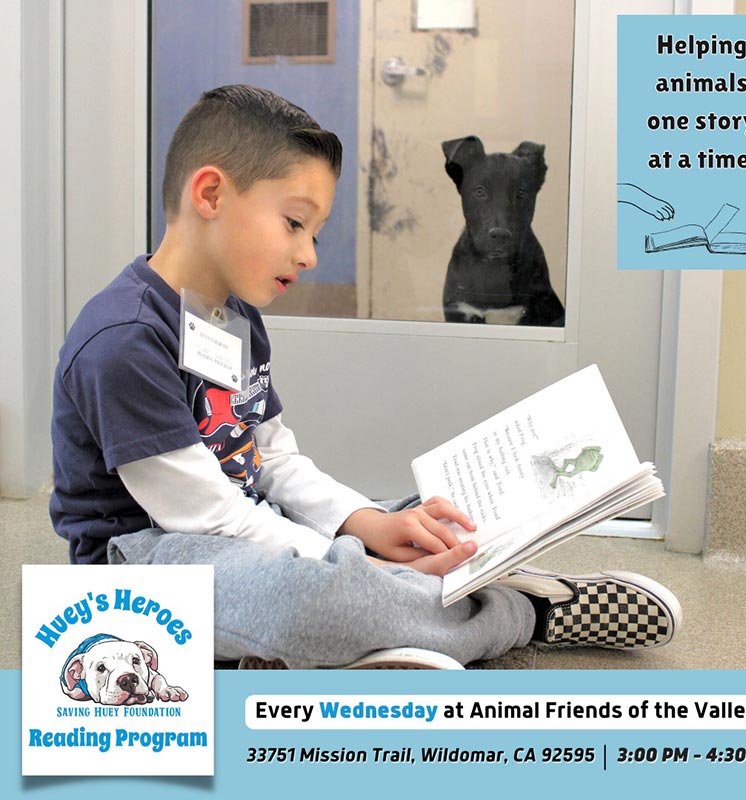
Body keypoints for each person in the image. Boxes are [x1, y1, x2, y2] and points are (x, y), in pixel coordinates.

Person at [50, 85, 681, 669]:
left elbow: (271, 459)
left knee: (422, 517)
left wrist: (367, 525)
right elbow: (206, 516)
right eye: (295, 223)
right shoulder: (123, 342)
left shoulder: (234, 317)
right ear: (210, 195)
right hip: (147, 561)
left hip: (241, 519)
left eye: (315, 233)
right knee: (318, 599)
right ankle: (527, 612)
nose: (309, 254)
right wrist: (350, 560)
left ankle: (427, 591)